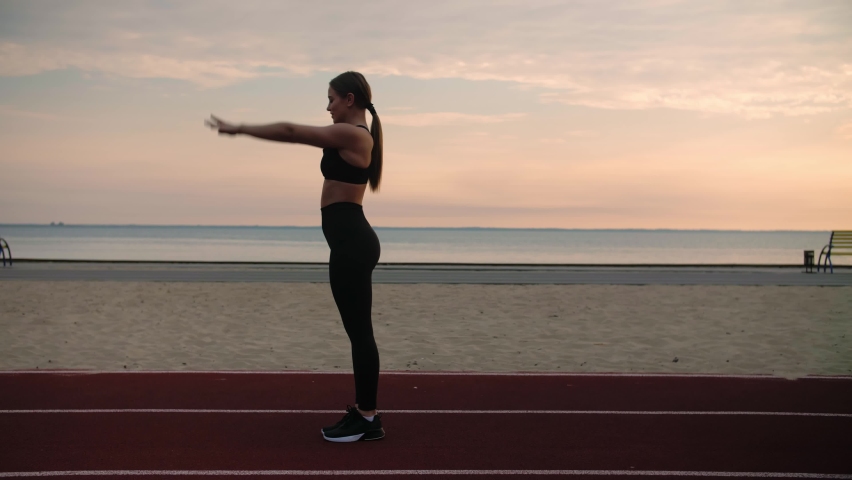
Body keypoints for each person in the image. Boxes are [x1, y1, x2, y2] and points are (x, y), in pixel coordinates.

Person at [205, 71, 385, 442]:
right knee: (358, 331)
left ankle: (368, 419)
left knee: (360, 333)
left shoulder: (354, 134)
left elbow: (291, 131)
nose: (328, 106)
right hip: (349, 242)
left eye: (331, 99)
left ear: (349, 99)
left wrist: (240, 129)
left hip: (353, 243)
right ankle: (365, 414)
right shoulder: (353, 135)